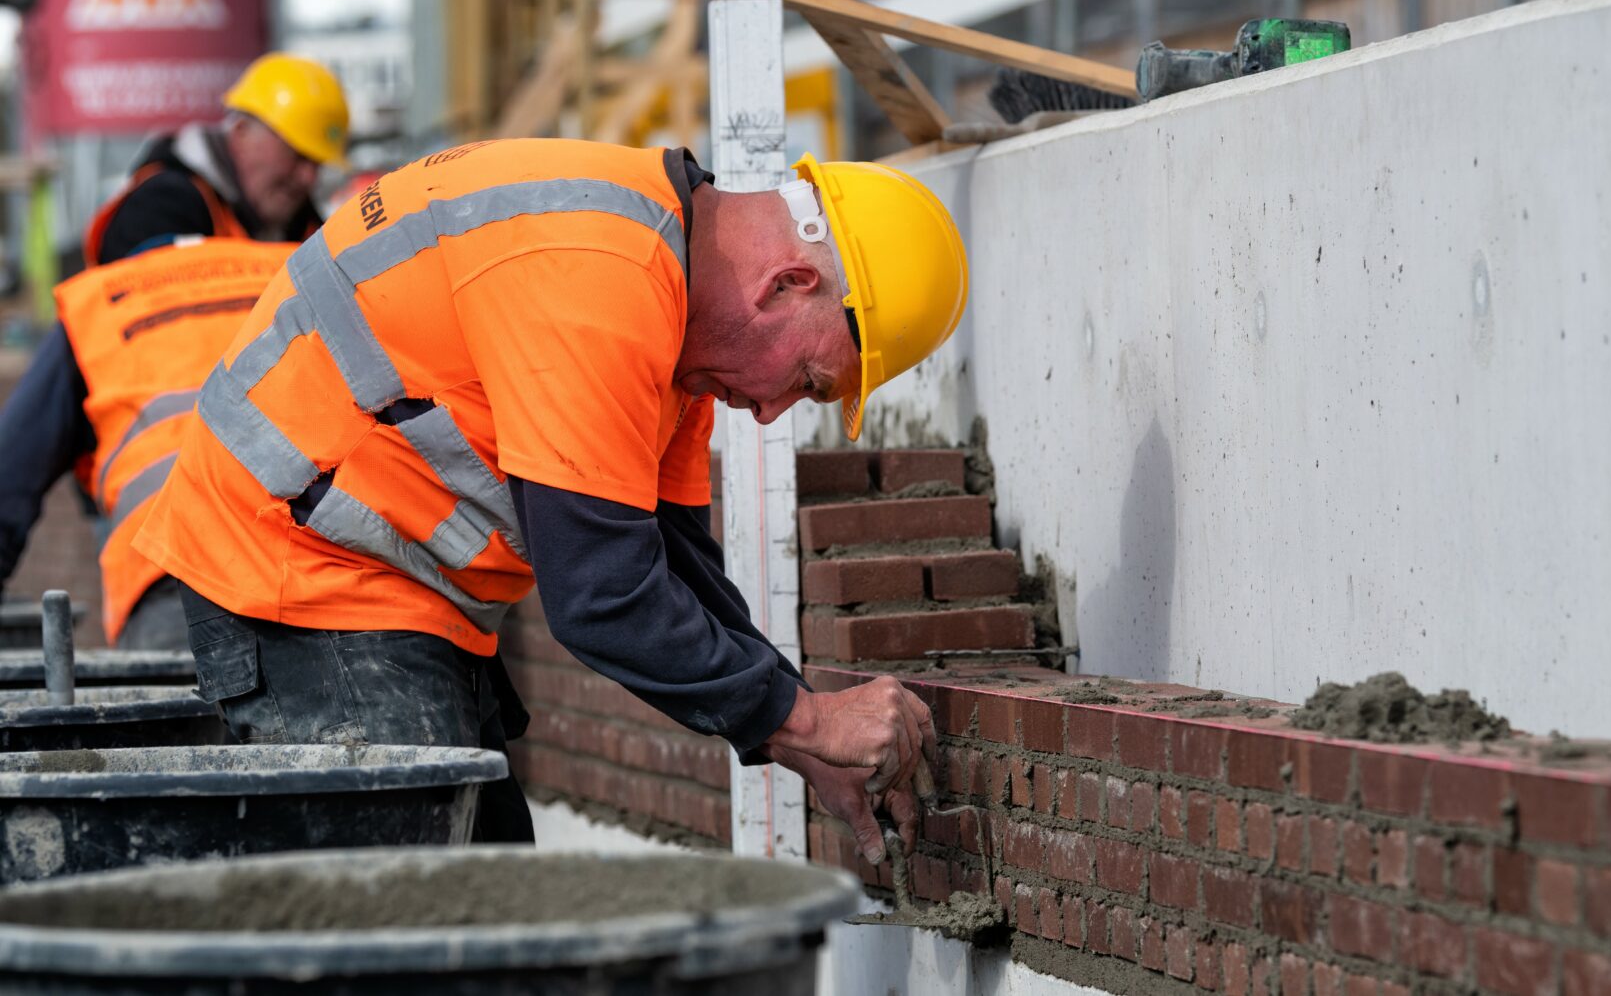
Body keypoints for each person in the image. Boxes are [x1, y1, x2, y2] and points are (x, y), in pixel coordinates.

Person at [134, 139, 968, 857]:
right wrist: (807, 720)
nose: (772, 409)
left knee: (495, 911)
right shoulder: (602, 281)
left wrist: (792, 725)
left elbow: (671, 558)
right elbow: (603, 595)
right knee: (417, 925)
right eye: (808, 378)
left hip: (378, 589)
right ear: (785, 282)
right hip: (293, 570)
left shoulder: (670, 304)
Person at [0, 238, 295, 647]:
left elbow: (10, 473)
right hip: (320, 565)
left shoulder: (100, 301)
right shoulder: (300, 263)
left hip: (171, 579)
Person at [84, 53, 347, 267]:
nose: (308, 178)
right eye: (298, 156)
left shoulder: (307, 227)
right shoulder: (163, 207)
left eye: (318, 164)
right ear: (242, 131)